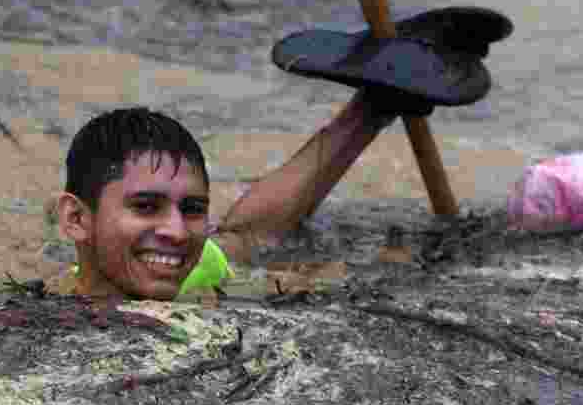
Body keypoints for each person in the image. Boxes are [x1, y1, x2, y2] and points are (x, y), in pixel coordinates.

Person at [55, 88, 404, 301]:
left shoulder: (180, 268)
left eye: (193, 209)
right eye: (146, 206)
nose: (177, 233)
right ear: (77, 219)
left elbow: (247, 236)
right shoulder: (41, 315)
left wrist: (371, 112)